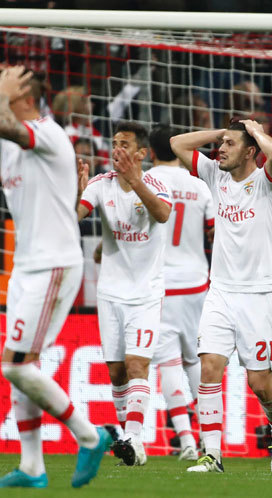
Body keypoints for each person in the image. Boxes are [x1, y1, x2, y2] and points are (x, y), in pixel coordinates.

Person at [0, 66, 111, 489]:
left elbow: (0, 122)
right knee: (22, 365)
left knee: (14, 366)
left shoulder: (48, 133)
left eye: (5, 88)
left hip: (54, 263)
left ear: (26, 97)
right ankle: (32, 467)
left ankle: (91, 435)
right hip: (26, 267)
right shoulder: (5, 134)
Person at [169, 119, 272, 474]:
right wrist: (220, 133)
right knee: (209, 367)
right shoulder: (215, 176)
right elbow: (178, 142)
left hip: (258, 295)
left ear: (251, 151)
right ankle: (212, 456)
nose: (219, 150)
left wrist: (257, 133)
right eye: (221, 145)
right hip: (220, 290)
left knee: (260, 384)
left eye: (230, 145)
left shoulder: (268, 184)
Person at [75, 121, 172, 466]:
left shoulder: (157, 185)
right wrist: (75, 191)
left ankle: (133, 438)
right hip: (110, 294)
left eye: (124, 144)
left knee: (136, 365)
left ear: (141, 154)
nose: (117, 150)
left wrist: (135, 182)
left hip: (146, 295)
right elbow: (75, 215)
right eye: (114, 143)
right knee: (116, 372)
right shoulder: (101, 185)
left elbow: (161, 214)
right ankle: (132, 444)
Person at [148, 123, 215, 462]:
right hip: (197, 284)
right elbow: (215, 234)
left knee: (168, 362)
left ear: (148, 151)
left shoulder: (145, 182)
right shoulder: (200, 187)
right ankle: (209, 438)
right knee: (194, 360)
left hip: (160, 284)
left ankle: (186, 440)